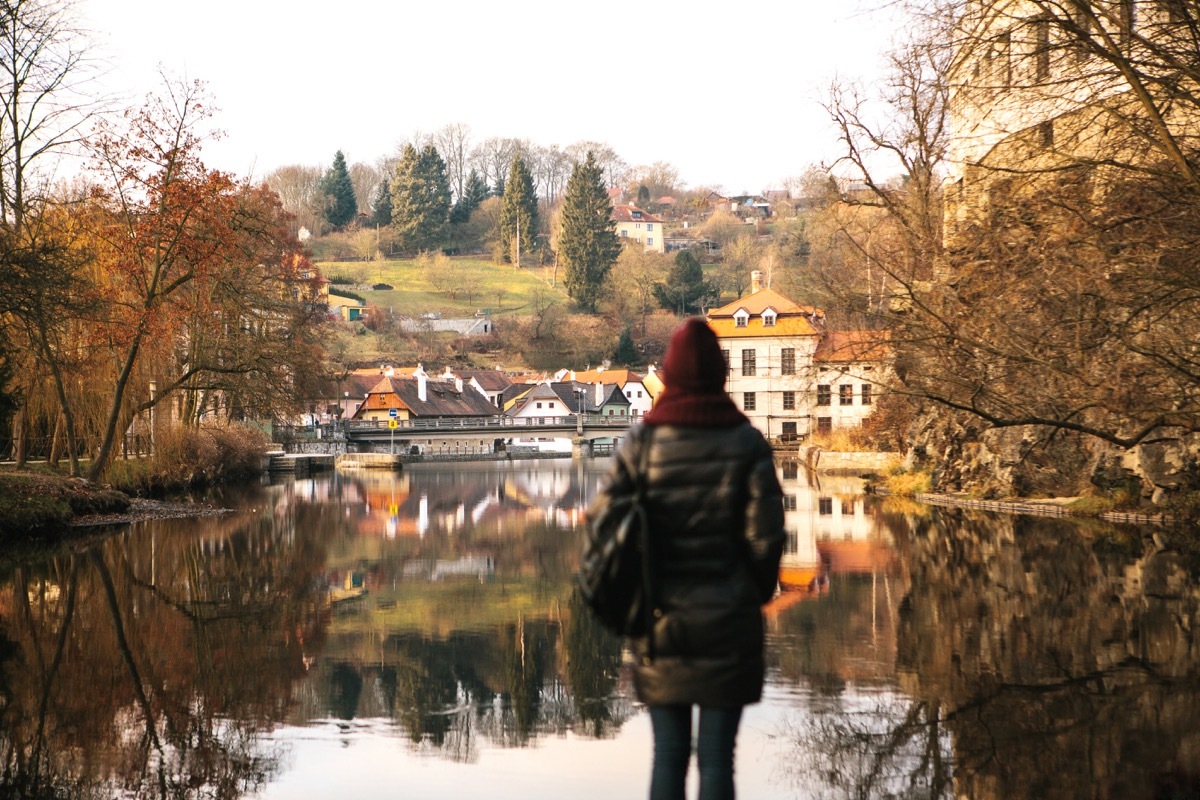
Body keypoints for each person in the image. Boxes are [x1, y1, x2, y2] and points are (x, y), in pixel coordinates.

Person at [586, 317, 785, 800]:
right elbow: (767, 539)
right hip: (730, 620)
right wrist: (748, 596)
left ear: (670, 375)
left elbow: (602, 528)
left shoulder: (642, 443)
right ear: (721, 375)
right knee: (718, 757)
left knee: (669, 755)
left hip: (658, 619)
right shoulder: (747, 442)